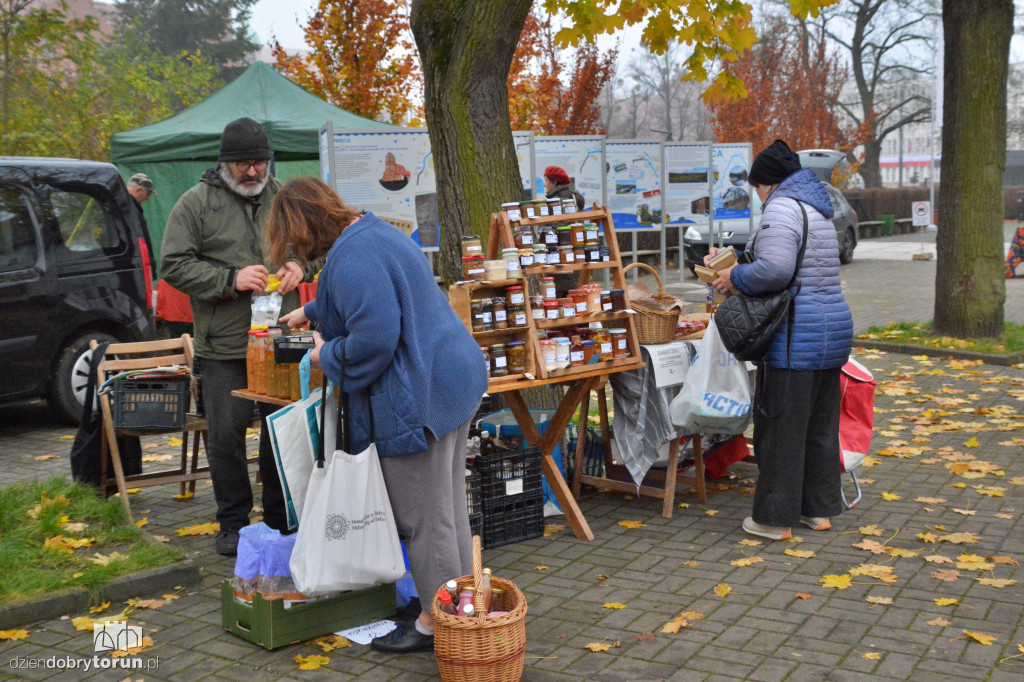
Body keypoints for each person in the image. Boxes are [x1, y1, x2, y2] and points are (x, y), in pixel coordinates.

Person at [272, 177, 487, 655]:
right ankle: (459, 606)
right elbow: (376, 290)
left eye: (295, 240)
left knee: (422, 516)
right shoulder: (370, 230)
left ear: (307, 228)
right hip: (454, 377)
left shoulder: (351, 258)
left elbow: (372, 340)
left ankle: (436, 623)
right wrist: (312, 310)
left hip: (425, 392)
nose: (297, 250)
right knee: (446, 508)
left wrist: (325, 351)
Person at [160, 118, 320, 555]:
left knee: (283, 429)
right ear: (224, 163)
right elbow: (172, 264)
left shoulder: (285, 197)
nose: (253, 172)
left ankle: (279, 518)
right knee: (227, 435)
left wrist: (300, 267)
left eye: (259, 162)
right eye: (243, 164)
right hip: (225, 343)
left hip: (285, 335)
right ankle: (232, 523)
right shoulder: (195, 204)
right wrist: (230, 279)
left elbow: (319, 246)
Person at [707, 139, 853, 541]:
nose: (757, 195)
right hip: (830, 335)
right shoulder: (816, 208)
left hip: (794, 338)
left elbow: (775, 269)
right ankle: (817, 512)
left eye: (757, 187)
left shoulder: (782, 208)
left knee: (781, 431)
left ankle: (772, 520)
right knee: (819, 429)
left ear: (768, 184)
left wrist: (733, 277)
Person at [126, 173, 157, 279]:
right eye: (147, 194)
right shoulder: (131, 210)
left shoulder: (125, 207)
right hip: (137, 270)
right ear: (138, 190)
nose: (147, 198)